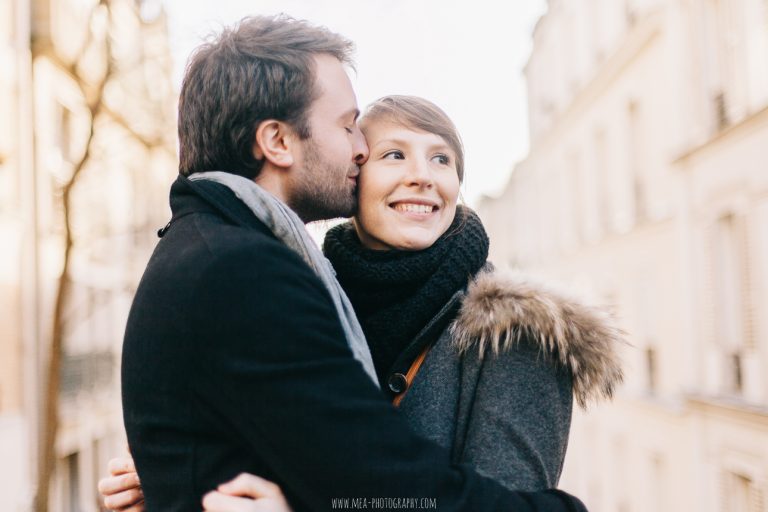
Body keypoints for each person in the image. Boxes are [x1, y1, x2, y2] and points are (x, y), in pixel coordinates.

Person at [113, 14, 608, 512]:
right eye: (363, 138)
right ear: (278, 142)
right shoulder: (259, 277)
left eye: (442, 159)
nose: (357, 149)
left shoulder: (509, 328)